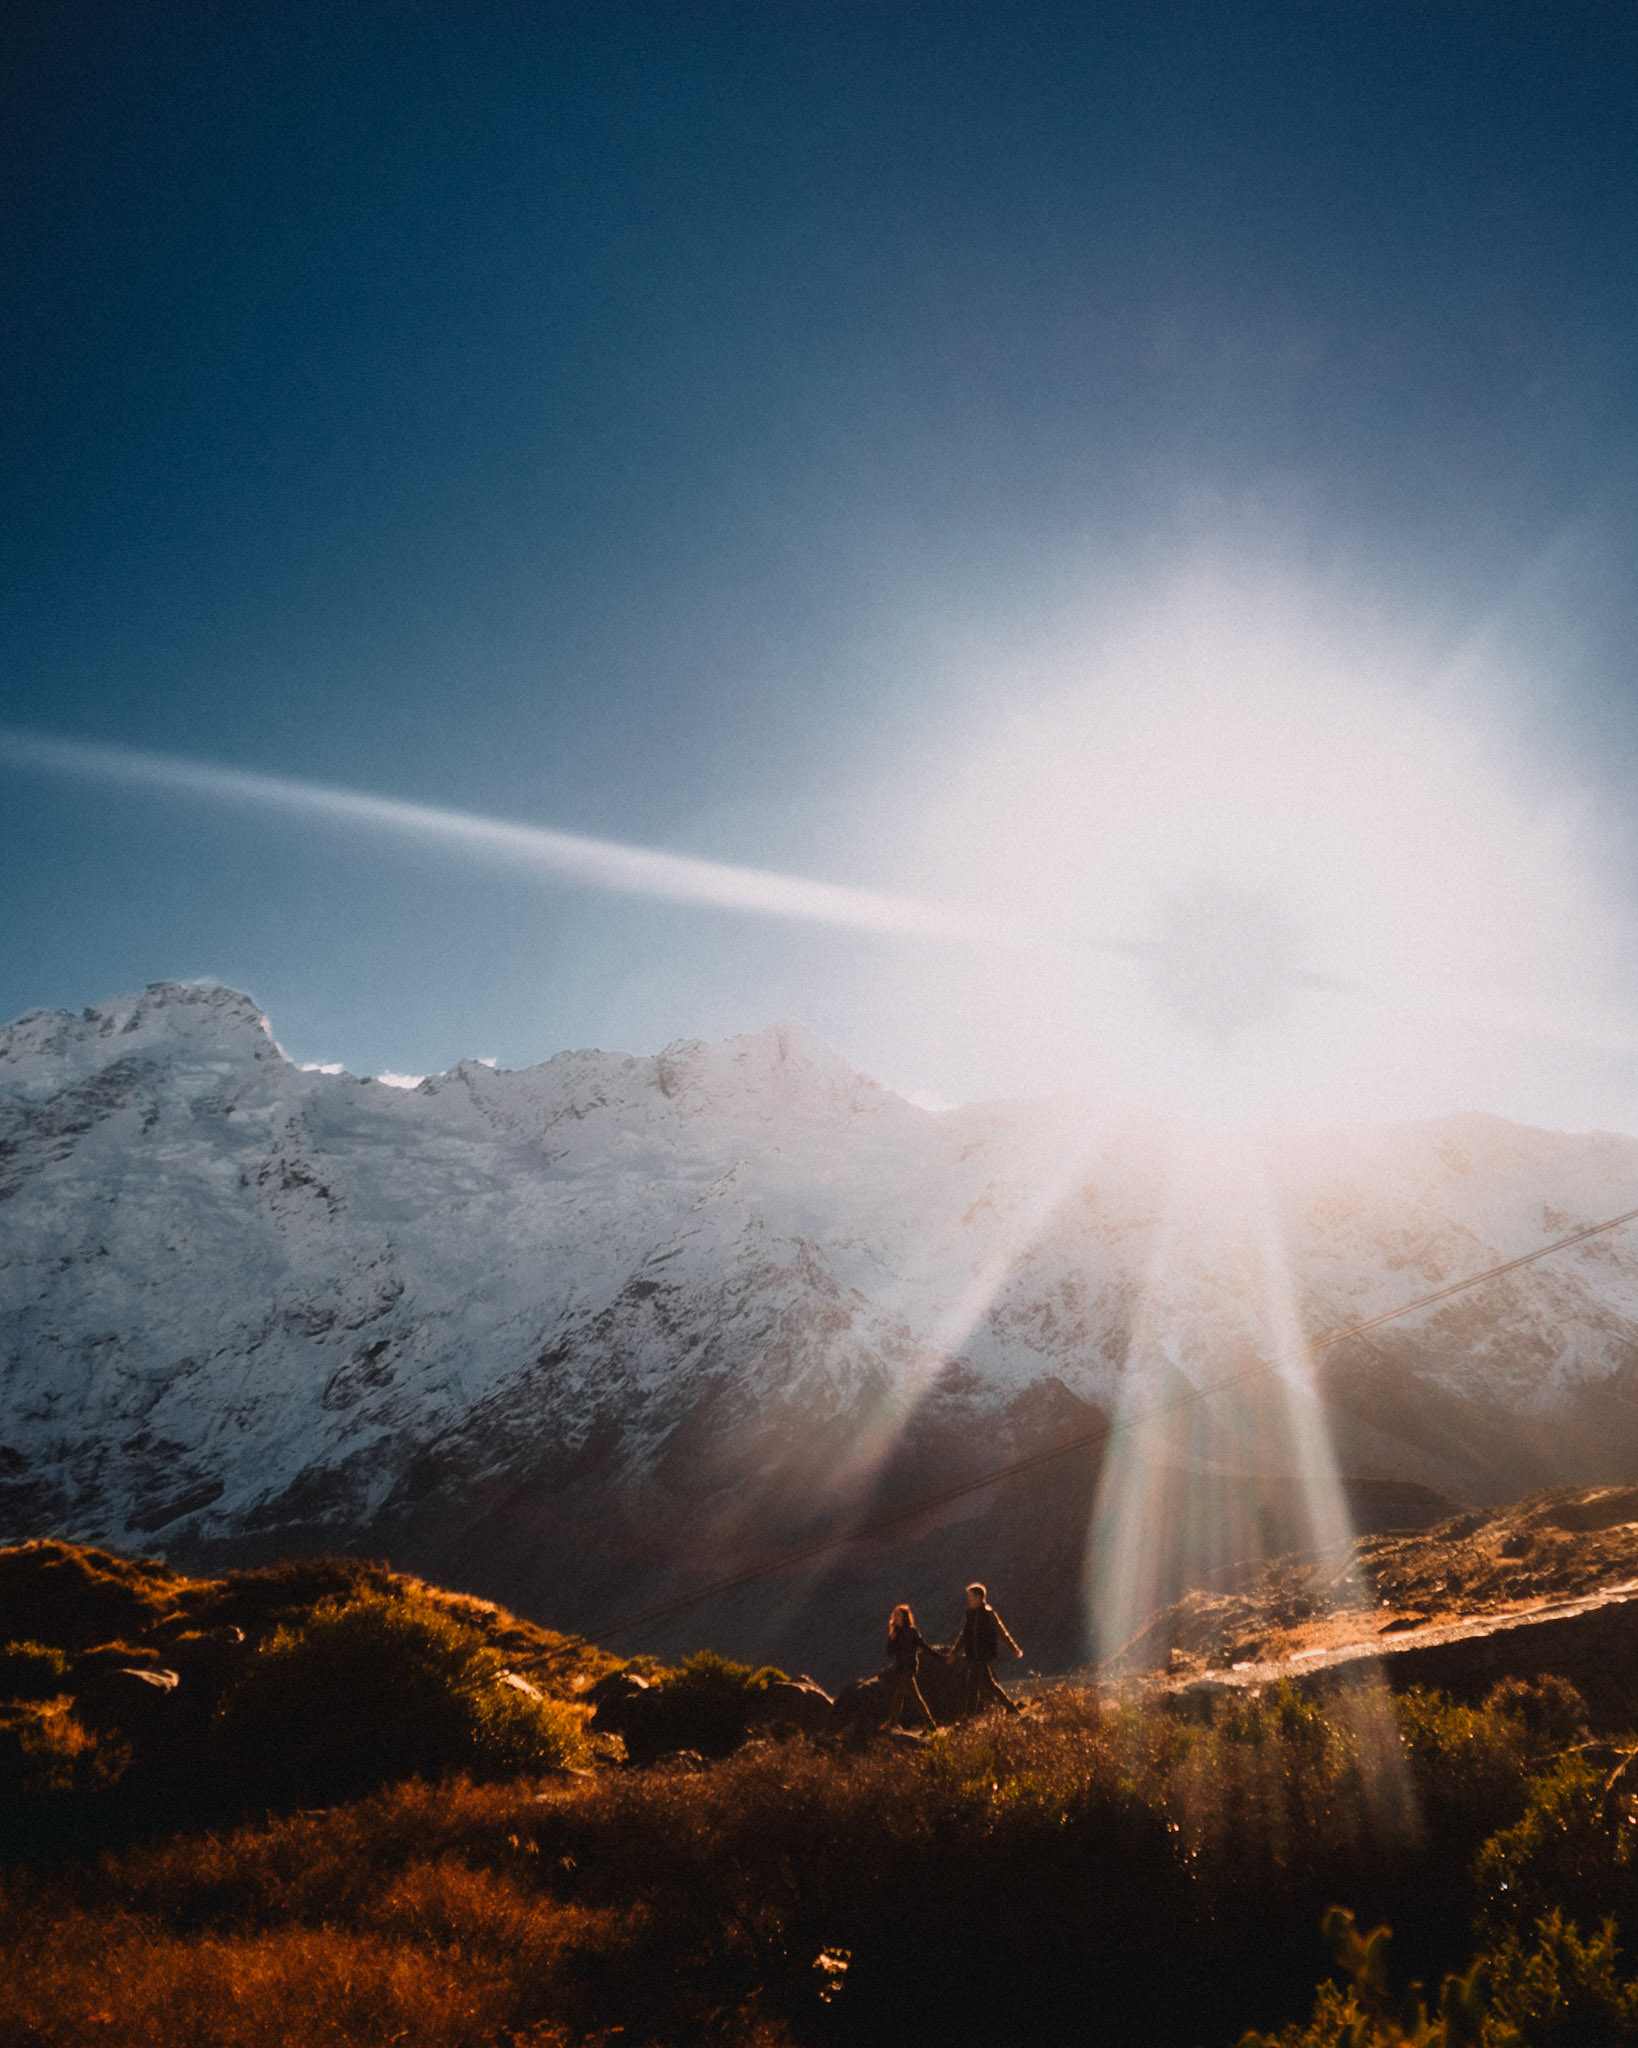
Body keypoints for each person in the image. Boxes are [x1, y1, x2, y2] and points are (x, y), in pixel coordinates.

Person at [946, 1581, 1023, 1717]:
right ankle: (1010, 1707)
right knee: (988, 1684)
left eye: (971, 1596)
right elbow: (964, 1635)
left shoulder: (988, 1614)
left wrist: (1014, 1649)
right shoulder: (970, 1614)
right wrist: (954, 1652)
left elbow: (1002, 1632)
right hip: (974, 1655)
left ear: (979, 1597)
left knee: (973, 1685)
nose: (969, 1599)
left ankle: (970, 1717)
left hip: (983, 1655)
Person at [880, 1602, 936, 1731]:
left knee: (912, 1697)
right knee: (899, 1696)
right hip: (900, 1669)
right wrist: (891, 1639)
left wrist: (939, 1657)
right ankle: (895, 1722)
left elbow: (923, 1646)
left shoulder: (911, 1632)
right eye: (895, 1616)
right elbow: (890, 1653)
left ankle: (929, 1724)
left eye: (899, 1616)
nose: (896, 1618)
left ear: (905, 1617)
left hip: (909, 1668)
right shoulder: (895, 1633)